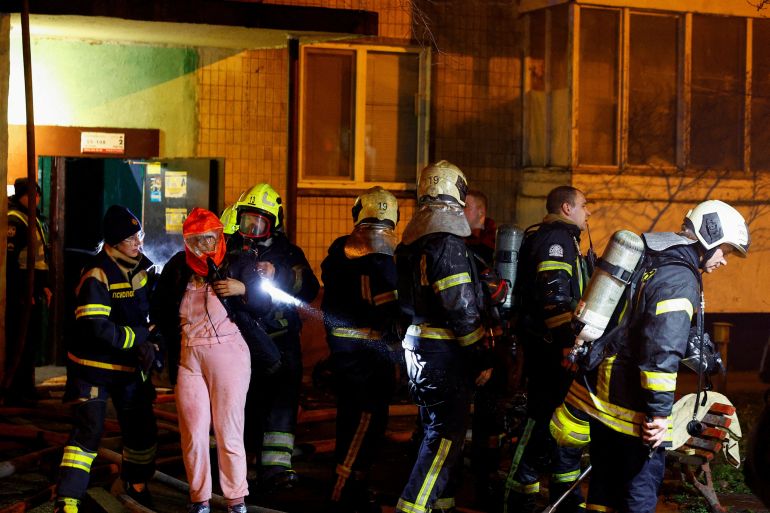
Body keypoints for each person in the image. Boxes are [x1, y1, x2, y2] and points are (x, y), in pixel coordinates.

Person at [560, 200, 749, 513]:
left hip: (598, 392)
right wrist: (660, 415)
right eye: (726, 251)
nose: (725, 261)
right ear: (711, 237)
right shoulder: (679, 277)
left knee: (604, 487)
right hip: (629, 403)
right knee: (639, 492)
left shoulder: (650, 254)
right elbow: (661, 352)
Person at [152, 207, 272, 513]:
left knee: (228, 430)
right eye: (198, 240)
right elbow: (162, 309)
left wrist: (243, 288)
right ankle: (199, 500)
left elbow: (264, 304)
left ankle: (235, 500)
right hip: (189, 356)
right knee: (192, 432)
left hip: (228, 355)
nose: (206, 246)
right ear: (188, 242)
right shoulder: (178, 267)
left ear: (220, 236)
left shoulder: (238, 263)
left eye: (211, 238)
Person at [394, 160, 494, 513]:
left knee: (429, 427)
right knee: (446, 436)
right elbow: (461, 309)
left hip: (417, 346)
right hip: (445, 353)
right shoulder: (448, 243)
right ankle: (414, 506)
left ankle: (443, 504)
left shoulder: (409, 245)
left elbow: (407, 303)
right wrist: (482, 356)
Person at [54, 206, 159, 513]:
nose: (137, 243)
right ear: (114, 241)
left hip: (129, 369)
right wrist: (140, 338)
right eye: (130, 238)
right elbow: (96, 328)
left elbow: (155, 312)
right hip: (93, 368)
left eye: (138, 236)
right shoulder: (97, 273)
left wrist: (156, 343)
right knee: (89, 431)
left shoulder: (145, 268)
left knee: (142, 430)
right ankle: (68, 500)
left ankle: (136, 485)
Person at [228, 183, 320, 493]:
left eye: (260, 223)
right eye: (247, 221)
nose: (251, 229)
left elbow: (308, 287)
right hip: (244, 341)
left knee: (281, 403)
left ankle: (277, 468)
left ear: (274, 222)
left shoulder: (287, 252)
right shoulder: (231, 247)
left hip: (281, 339)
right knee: (247, 403)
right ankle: (247, 462)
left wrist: (277, 272)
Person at [505, 185, 591, 513]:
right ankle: (521, 494)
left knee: (557, 421)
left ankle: (561, 495)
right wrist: (569, 346)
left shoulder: (562, 238)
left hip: (552, 346)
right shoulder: (556, 240)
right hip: (550, 348)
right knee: (542, 419)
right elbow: (553, 298)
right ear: (567, 208)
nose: (589, 212)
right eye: (584, 205)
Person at [320, 186, 401, 513]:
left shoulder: (344, 252)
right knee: (364, 423)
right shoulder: (375, 257)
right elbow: (386, 305)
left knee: (363, 423)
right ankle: (342, 493)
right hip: (366, 356)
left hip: (353, 353)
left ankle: (355, 487)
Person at [4, 177, 51, 404]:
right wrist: (22, 293)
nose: (36, 199)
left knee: (30, 341)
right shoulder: (15, 219)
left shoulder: (32, 219)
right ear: (21, 195)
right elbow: (11, 264)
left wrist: (44, 287)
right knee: (19, 341)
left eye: (38, 195)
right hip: (21, 294)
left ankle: (26, 387)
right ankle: (15, 389)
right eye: (31, 195)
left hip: (33, 291)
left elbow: (40, 260)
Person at [464, 189, 497, 265]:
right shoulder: (455, 238)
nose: (459, 210)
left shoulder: (495, 244)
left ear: (480, 212)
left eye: (465, 206)